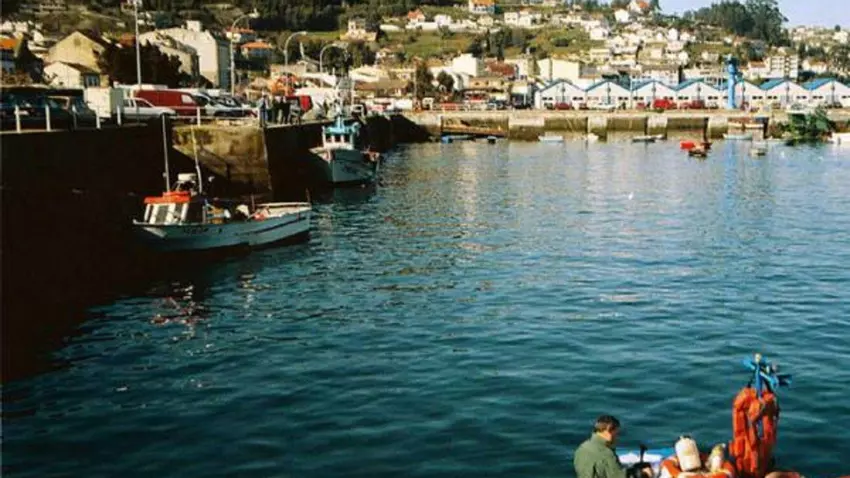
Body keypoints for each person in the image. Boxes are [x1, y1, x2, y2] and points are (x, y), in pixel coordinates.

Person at [574, 415, 653, 478]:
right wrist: (644, 474)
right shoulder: (607, 455)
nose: (616, 437)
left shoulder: (582, 448)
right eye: (616, 433)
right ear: (608, 430)